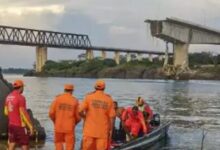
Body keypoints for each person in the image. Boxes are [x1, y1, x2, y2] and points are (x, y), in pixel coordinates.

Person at [79, 80, 116, 150]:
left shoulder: (88, 97)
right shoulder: (109, 99)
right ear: (104, 88)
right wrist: (110, 130)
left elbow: (79, 111)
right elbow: (112, 117)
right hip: (102, 133)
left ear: (95, 87)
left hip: (89, 132)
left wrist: (85, 117)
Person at [49, 84, 80, 150]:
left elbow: (51, 113)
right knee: (70, 145)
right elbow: (78, 117)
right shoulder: (75, 101)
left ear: (64, 90)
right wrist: (74, 123)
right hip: (69, 127)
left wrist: (55, 121)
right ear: (72, 91)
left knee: (58, 143)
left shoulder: (57, 99)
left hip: (58, 126)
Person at [4, 79, 34, 150]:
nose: (23, 89)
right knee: (25, 144)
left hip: (11, 125)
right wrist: (31, 127)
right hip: (20, 126)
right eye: (23, 87)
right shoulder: (21, 98)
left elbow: (5, 112)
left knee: (12, 143)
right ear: (21, 87)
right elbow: (23, 113)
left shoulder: (8, 97)